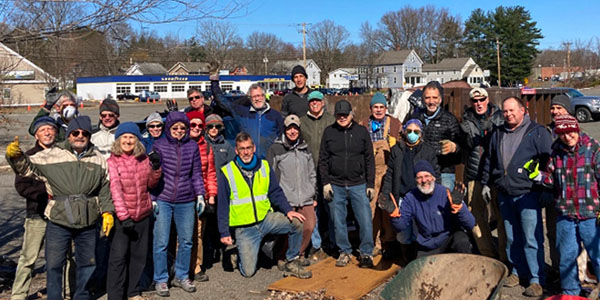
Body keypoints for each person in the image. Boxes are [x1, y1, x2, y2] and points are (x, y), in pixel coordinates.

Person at [6, 115, 115, 300]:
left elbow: (105, 187)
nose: (80, 136)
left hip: (88, 221)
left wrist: (107, 212)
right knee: (54, 264)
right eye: (75, 132)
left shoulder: (98, 159)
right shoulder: (51, 155)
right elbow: (26, 168)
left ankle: (82, 296)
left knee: (87, 263)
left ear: (89, 136)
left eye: (84, 133)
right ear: (68, 135)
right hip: (58, 219)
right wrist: (15, 156)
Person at [481, 96, 552, 297]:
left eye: (512, 110)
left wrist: (546, 188)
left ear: (523, 110)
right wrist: (487, 183)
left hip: (527, 194)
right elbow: (490, 160)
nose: (508, 114)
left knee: (531, 238)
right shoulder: (498, 133)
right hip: (505, 193)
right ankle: (516, 271)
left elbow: (548, 163)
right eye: (505, 111)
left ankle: (536, 279)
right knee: (512, 238)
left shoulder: (537, 133)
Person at [217, 132, 312, 279]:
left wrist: (288, 210)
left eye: (249, 147)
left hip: (266, 220)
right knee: (248, 272)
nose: (246, 152)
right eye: (242, 149)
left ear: (254, 148)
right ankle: (237, 254)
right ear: (236, 150)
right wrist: (224, 232)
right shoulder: (227, 172)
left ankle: (292, 261)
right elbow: (223, 204)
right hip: (245, 228)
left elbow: (275, 192)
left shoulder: (264, 166)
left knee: (297, 222)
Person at [537, 115, 600, 296]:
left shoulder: (593, 148)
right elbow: (550, 179)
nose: (567, 136)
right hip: (565, 214)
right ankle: (570, 292)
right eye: (562, 133)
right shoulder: (556, 152)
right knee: (566, 257)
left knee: (597, 256)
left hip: (590, 214)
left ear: (577, 129)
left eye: (570, 131)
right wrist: (538, 176)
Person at [151, 111, 206, 297]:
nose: (179, 131)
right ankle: (161, 279)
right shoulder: (159, 145)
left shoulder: (192, 147)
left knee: (187, 240)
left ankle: (182, 275)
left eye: (183, 128)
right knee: (161, 241)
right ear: (169, 128)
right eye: (175, 128)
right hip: (163, 198)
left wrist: (200, 195)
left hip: (186, 199)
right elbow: (152, 174)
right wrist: (152, 198)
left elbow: (197, 174)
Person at [106, 122, 162, 300]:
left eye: (132, 137)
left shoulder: (143, 159)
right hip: (124, 218)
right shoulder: (112, 162)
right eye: (125, 137)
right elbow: (115, 189)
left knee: (138, 257)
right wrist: (124, 216)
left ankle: (132, 292)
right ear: (118, 140)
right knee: (118, 259)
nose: (128, 141)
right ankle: (115, 295)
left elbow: (151, 185)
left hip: (143, 215)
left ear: (137, 140)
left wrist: (156, 168)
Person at [319, 100, 375, 268]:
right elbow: (323, 159)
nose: (342, 117)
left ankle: (366, 253)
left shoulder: (361, 132)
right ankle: (344, 251)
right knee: (338, 221)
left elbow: (369, 159)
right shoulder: (329, 132)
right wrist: (326, 182)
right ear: (335, 115)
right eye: (339, 115)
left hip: (358, 183)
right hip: (336, 185)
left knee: (364, 219)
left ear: (351, 114)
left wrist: (370, 184)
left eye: (345, 114)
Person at [379, 118, 439, 264]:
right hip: (403, 197)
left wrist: (435, 196)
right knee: (403, 233)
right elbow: (390, 174)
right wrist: (386, 193)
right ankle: (407, 261)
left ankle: (420, 261)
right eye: (409, 131)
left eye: (416, 132)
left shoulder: (428, 151)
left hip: (421, 197)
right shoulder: (397, 150)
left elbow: (435, 173)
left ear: (421, 133)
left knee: (421, 230)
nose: (412, 134)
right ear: (405, 132)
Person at [11, 117, 57, 300]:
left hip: (60, 215)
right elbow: (21, 186)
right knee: (28, 258)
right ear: (36, 134)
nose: (47, 132)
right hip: (36, 214)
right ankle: (19, 294)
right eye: (43, 129)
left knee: (64, 257)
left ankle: (67, 291)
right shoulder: (28, 156)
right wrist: (45, 193)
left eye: (50, 129)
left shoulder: (62, 154)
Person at [390, 160, 475, 258]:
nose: (424, 180)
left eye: (427, 176)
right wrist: (394, 215)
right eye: (419, 177)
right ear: (415, 180)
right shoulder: (410, 198)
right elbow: (400, 227)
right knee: (421, 269)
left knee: (462, 240)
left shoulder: (445, 193)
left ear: (433, 177)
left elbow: (470, 224)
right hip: (427, 245)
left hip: (448, 239)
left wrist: (459, 208)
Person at [459, 87, 505, 260]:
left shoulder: (500, 117)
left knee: (501, 217)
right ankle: (488, 254)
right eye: (475, 101)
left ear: (488, 99)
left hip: (495, 175)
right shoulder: (466, 119)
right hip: (474, 173)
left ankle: (504, 256)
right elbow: (464, 148)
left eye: (481, 99)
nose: (478, 104)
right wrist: (465, 138)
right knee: (476, 217)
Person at [267, 114, 317, 262]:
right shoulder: (276, 148)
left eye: (295, 128)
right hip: (286, 198)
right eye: (289, 128)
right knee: (287, 230)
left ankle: (297, 254)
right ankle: (283, 257)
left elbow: (312, 172)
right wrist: (276, 198)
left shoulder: (305, 148)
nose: (292, 131)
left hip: (306, 198)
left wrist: (313, 193)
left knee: (309, 226)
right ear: (285, 129)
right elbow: (272, 175)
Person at [358, 92, 401, 258]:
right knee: (371, 210)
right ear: (370, 108)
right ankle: (374, 243)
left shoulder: (395, 124)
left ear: (386, 108)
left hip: (389, 172)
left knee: (388, 208)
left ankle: (389, 242)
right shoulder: (363, 125)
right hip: (370, 174)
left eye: (381, 107)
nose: (378, 110)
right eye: (375, 107)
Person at [299, 90, 335, 259]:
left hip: (329, 171)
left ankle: (333, 241)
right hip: (309, 171)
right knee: (314, 209)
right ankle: (316, 244)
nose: (315, 104)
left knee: (331, 207)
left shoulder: (331, 120)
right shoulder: (302, 122)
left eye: (317, 101)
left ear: (322, 103)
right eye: (312, 101)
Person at [211, 75, 283, 159]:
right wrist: (214, 81)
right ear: (250, 98)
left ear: (264, 96)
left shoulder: (275, 116)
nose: (257, 99)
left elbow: (281, 137)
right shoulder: (242, 113)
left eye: (260, 95)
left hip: (269, 161)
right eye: (254, 96)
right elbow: (223, 102)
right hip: (248, 160)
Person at [186, 111, 217, 282]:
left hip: (201, 196)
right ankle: (182, 266)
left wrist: (211, 196)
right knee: (182, 235)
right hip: (183, 196)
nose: (197, 128)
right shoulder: (180, 145)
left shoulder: (207, 147)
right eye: (193, 125)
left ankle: (196, 266)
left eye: (200, 125)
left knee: (198, 233)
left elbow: (210, 173)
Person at [411, 81, 461, 190]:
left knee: (443, 204)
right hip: (421, 171)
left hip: (444, 172)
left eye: (435, 97)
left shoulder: (449, 119)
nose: (431, 101)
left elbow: (461, 148)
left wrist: (454, 147)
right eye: (427, 98)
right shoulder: (415, 118)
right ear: (423, 99)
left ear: (440, 99)